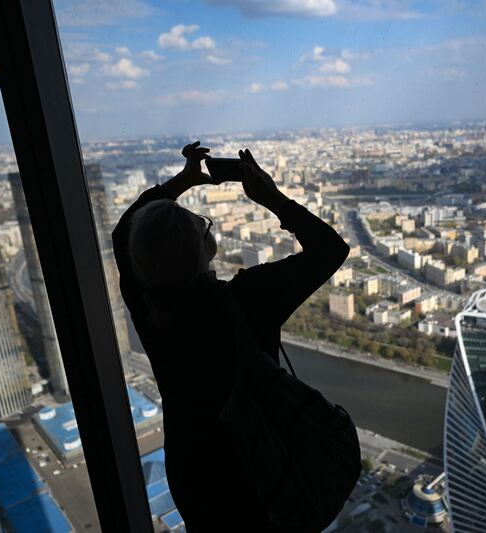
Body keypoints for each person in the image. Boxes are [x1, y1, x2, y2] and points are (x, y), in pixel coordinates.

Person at [112, 141, 350, 530]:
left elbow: (124, 231)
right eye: (202, 223)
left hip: (194, 474)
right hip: (258, 471)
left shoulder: (148, 306)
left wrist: (181, 182)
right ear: (206, 248)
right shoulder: (248, 299)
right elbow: (330, 249)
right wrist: (272, 198)